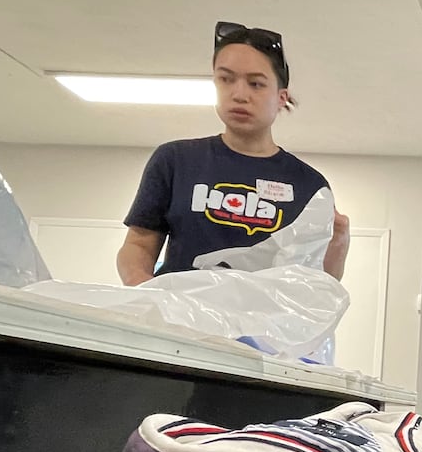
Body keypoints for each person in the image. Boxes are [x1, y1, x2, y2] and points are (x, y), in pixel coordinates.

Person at [117, 21, 350, 286]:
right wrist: (144, 292)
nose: (239, 94)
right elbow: (138, 245)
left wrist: (339, 244)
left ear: (281, 97)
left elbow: (318, 283)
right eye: (226, 79)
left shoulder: (309, 185)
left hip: (264, 324)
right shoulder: (175, 161)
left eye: (256, 84)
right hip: (179, 320)